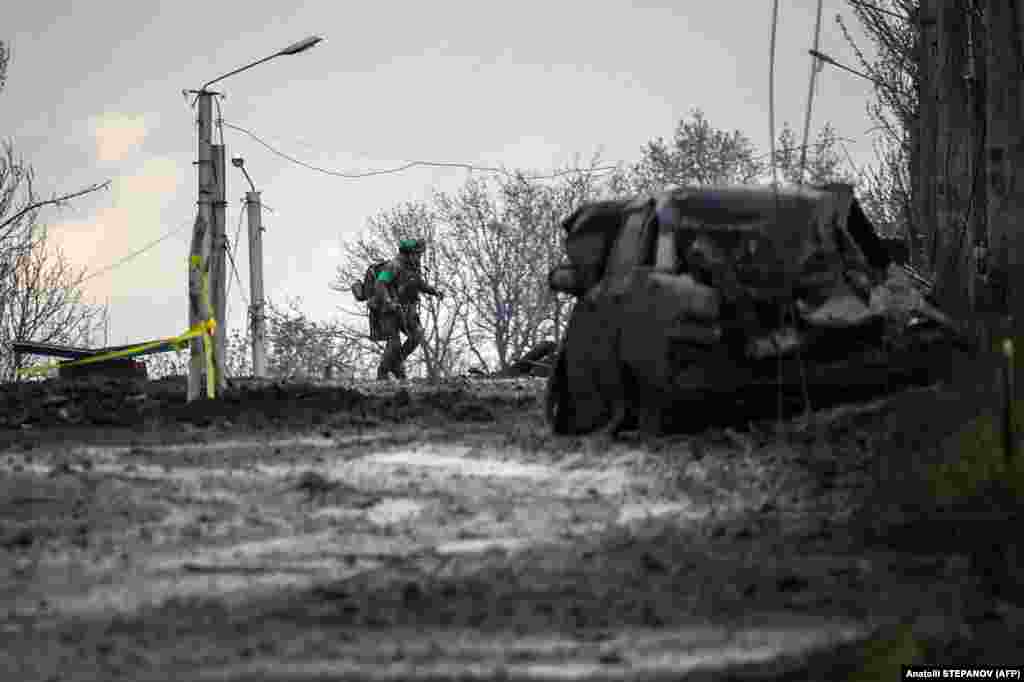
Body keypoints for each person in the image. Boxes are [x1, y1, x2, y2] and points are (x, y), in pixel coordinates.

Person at [371, 238, 444, 380]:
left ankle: (397, 364)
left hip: (407, 310)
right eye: (417, 254)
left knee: (417, 335)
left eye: (420, 254)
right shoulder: (393, 266)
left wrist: (434, 291)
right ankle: (383, 373)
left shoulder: (413, 268)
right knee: (394, 343)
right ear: (409, 254)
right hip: (389, 310)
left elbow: (419, 283)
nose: (419, 257)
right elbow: (380, 283)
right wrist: (388, 301)